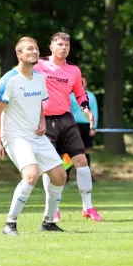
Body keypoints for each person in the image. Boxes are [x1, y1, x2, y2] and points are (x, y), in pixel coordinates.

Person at [0, 37, 67, 235]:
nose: (34, 52)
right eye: (29, 49)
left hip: (36, 135)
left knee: (60, 176)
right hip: (15, 136)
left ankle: (48, 223)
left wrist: (42, 121)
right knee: (31, 175)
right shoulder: (9, 79)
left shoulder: (39, 78)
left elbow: (40, 104)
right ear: (19, 54)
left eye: (36, 49)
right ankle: (10, 223)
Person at [34, 32, 103, 222]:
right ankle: (53, 210)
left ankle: (88, 207)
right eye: (60, 44)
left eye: (66, 45)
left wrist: (87, 110)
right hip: (45, 121)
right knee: (52, 166)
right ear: (51, 47)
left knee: (82, 161)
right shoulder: (38, 65)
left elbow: (81, 94)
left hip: (67, 120)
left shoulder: (74, 70)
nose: (64, 48)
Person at [69, 77, 99, 178]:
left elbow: (94, 111)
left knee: (86, 150)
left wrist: (93, 127)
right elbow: (67, 111)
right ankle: (66, 174)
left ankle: (87, 175)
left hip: (87, 125)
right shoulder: (71, 96)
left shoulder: (91, 96)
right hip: (74, 125)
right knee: (71, 150)